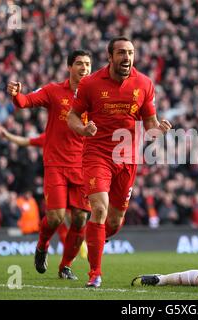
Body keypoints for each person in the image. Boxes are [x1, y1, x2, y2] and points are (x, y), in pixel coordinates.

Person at [68, 36, 172, 287]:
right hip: (97, 155)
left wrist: (159, 130)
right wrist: (83, 130)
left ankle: (96, 240)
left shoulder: (145, 83)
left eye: (131, 53)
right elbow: (72, 116)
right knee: (100, 210)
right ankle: (95, 274)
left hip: (128, 158)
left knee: (113, 222)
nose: (127, 57)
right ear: (110, 56)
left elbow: (149, 124)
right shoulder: (91, 83)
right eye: (122, 53)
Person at [6, 50, 92, 280]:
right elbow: (26, 101)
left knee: (81, 219)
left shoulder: (95, 97)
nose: (84, 68)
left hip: (82, 167)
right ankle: (42, 245)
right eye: (79, 64)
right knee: (54, 217)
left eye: (87, 64)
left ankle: (65, 266)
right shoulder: (54, 91)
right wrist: (16, 95)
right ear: (69, 67)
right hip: (56, 164)